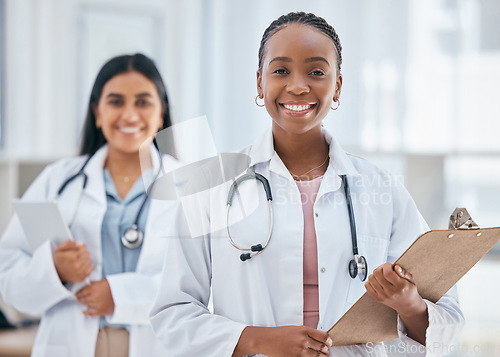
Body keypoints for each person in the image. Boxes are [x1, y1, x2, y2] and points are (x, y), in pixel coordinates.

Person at [150, 12, 464, 357]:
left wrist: (408, 304)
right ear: (259, 83)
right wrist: (257, 339)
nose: (298, 86)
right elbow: (173, 314)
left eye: (316, 72)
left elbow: (446, 320)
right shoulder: (211, 184)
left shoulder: (381, 189)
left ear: (338, 86)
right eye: (281, 70)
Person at [0, 53, 177, 357]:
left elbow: (211, 287)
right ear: (97, 112)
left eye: (144, 102)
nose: (130, 114)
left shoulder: (192, 185)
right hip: (70, 343)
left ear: (161, 114)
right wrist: (55, 270)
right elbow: (9, 280)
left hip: (158, 345)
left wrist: (122, 296)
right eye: (116, 101)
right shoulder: (58, 180)